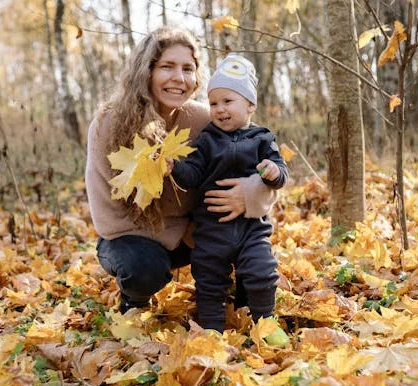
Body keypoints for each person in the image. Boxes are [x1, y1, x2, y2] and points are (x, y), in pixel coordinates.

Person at [84, 27, 276, 314]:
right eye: (167, 67)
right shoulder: (109, 124)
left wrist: (249, 196)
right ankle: (134, 300)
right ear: (145, 71)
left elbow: (260, 161)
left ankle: (247, 303)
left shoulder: (203, 118)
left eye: (188, 68)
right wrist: (185, 230)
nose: (179, 78)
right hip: (129, 239)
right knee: (144, 267)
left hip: (196, 235)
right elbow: (109, 219)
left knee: (245, 234)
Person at [168, 54, 288, 332]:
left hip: (251, 228)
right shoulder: (207, 140)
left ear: (250, 105)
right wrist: (175, 168)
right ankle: (212, 331)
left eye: (228, 101)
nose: (219, 109)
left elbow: (281, 172)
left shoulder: (263, 139)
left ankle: (265, 326)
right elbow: (194, 174)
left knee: (262, 272)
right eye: (213, 103)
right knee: (209, 280)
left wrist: (273, 172)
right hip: (212, 229)